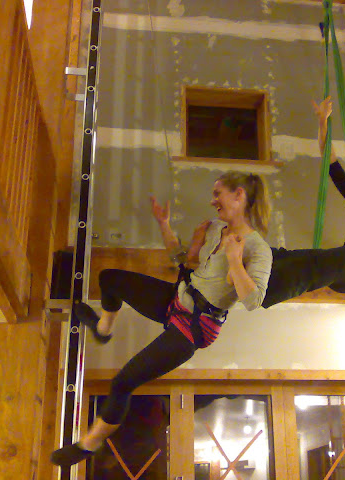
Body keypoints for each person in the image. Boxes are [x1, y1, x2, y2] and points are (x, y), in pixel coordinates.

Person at [51, 171, 272, 467]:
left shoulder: (258, 248)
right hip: (176, 299)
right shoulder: (215, 229)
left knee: (123, 382)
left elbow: (253, 301)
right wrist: (164, 224)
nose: (212, 201)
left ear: (239, 195)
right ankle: (103, 328)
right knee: (109, 279)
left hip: (194, 328)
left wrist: (234, 259)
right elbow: (181, 259)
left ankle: (89, 444)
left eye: (217, 193)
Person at [186, 97, 345, 308]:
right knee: (292, 256)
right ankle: (251, 262)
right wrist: (323, 121)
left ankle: (264, 292)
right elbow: (330, 162)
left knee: (311, 265)